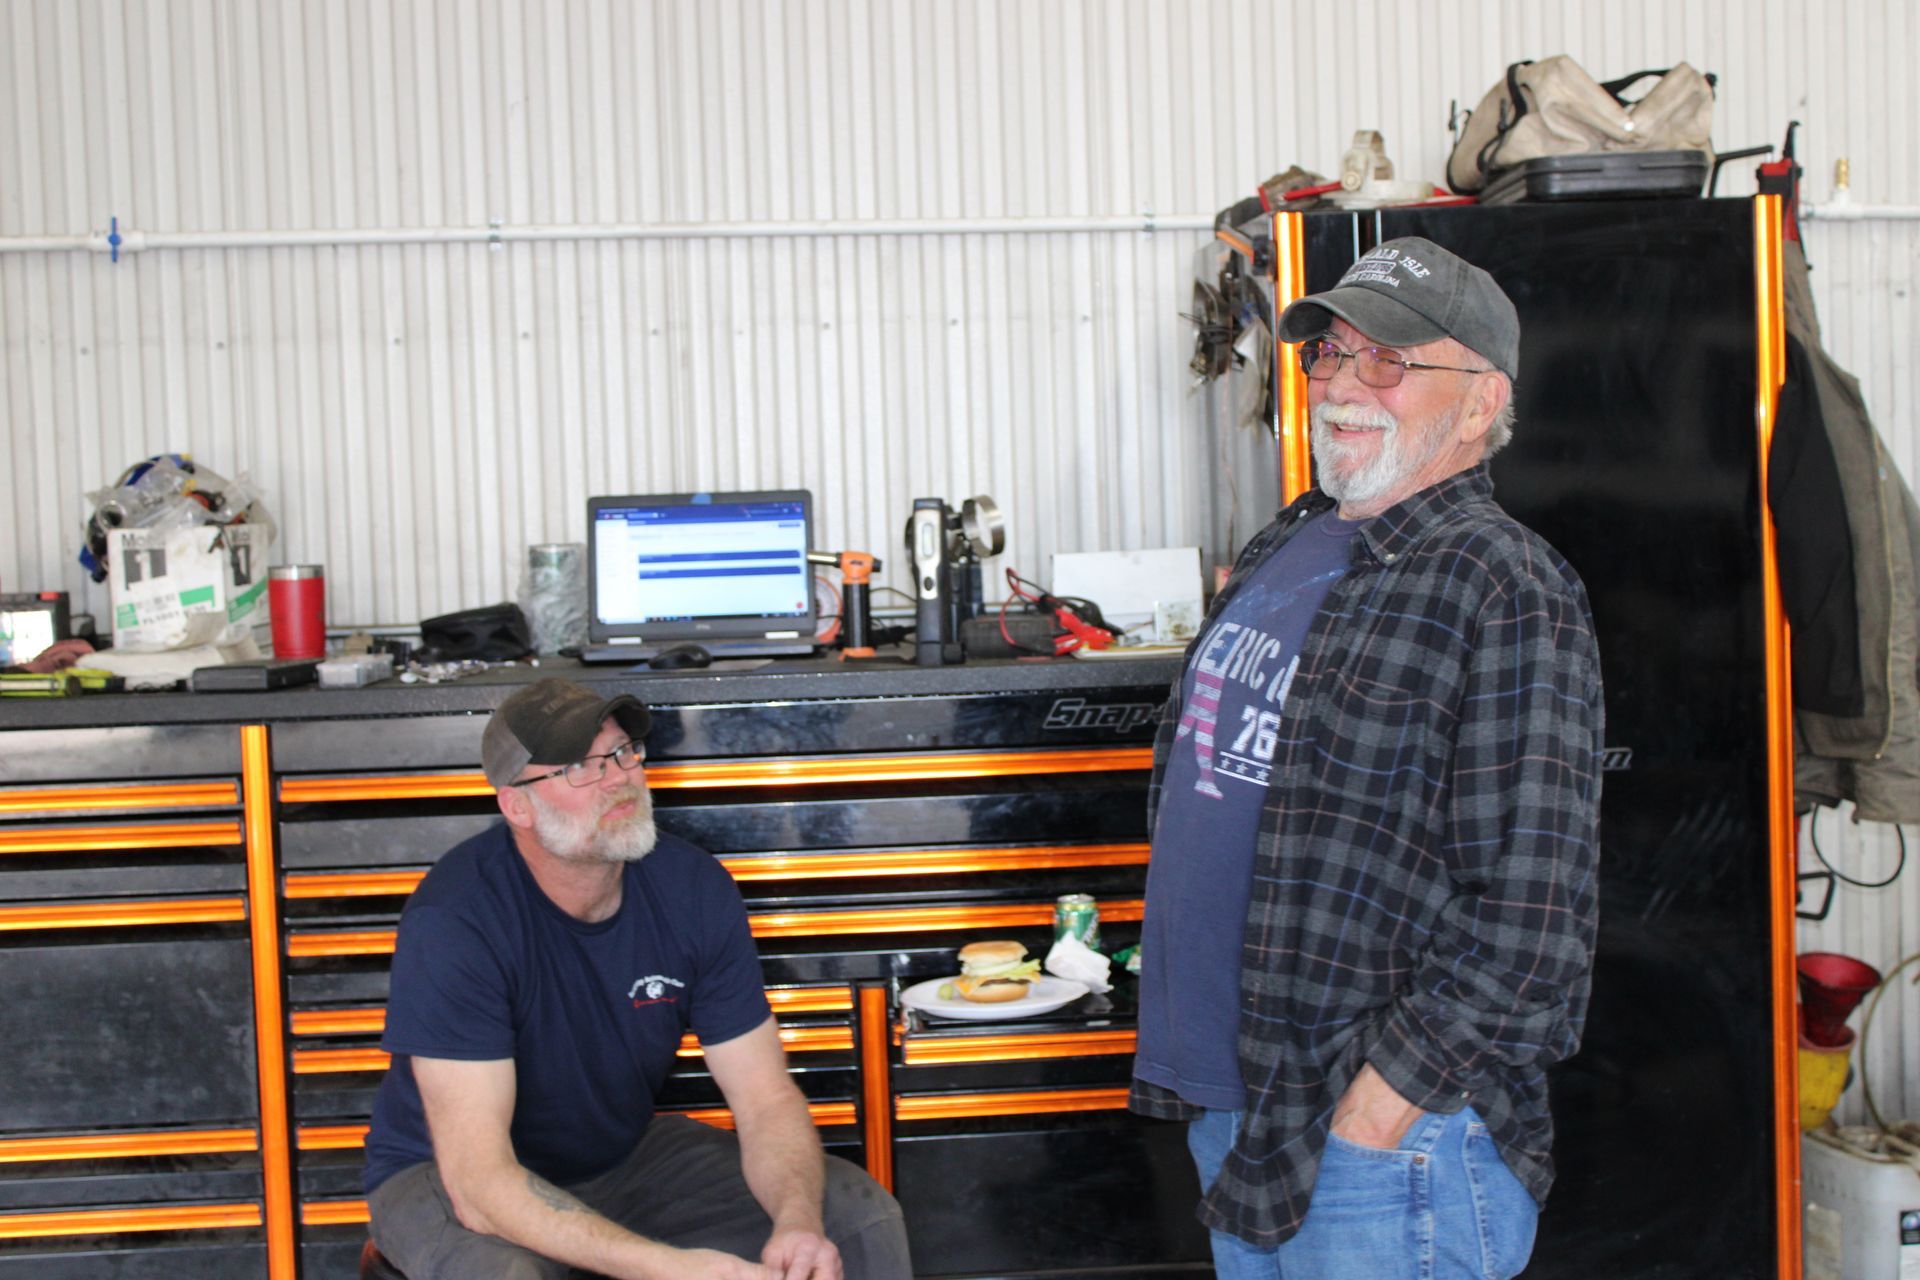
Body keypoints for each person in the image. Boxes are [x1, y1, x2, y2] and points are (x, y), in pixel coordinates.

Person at [1131, 236, 1603, 1279]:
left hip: (1382, 1137)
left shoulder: (1504, 585)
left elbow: (1533, 922)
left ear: (1480, 402)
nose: (1342, 384)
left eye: (1386, 360)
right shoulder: (1291, 541)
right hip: (1240, 1104)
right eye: (1329, 355)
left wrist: (1378, 1107)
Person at [363, 678, 911, 1280]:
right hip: (443, 1174)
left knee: (857, 1218)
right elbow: (480, 1183)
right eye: (578, 766)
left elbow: (764, 1100)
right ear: (517, 805)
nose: (618, 776)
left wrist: (797, 1224)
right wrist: (668, 1268)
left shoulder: (693, 887)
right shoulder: (458, 920)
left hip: (619, 1161)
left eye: (623, 752)